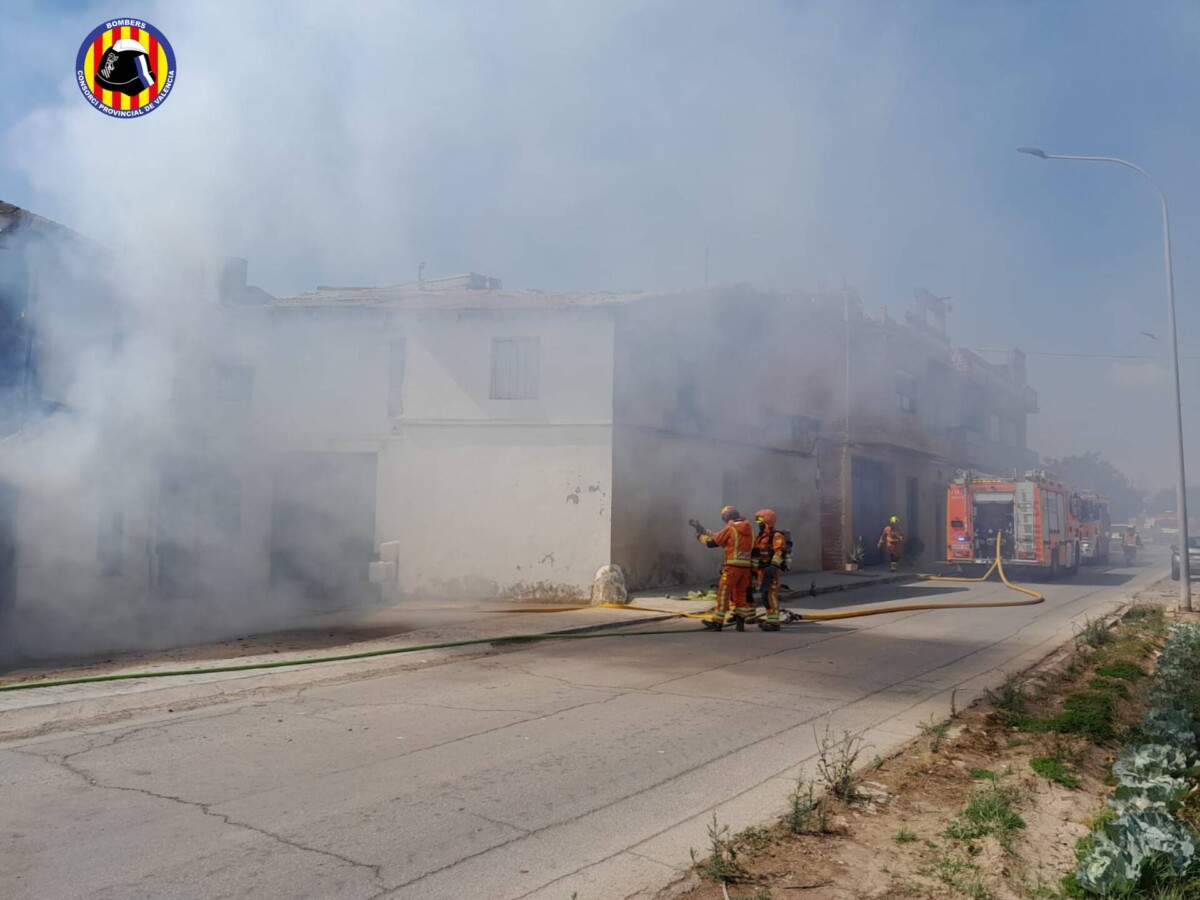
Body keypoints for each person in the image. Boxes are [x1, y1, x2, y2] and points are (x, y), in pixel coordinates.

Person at [696, 506, 755, 631]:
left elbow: (714, 542)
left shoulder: (731, 528)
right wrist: (704, 531)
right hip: (745, 569)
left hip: (732, 568)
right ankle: (740, 623)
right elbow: (721, 536)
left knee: (723, 594)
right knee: (741, 595)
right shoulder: (749, 529)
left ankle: (717, 622)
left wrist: (699, 537)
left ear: (726, 517)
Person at [751, 508, 788, 631]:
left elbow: (779, 551)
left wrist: (773, 566)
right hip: (762, 570)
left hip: (770, 570)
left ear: (767, 521)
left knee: (770, 595)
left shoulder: (776, 535)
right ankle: (770, 619)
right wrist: (754, 570)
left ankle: (774, 622)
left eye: (761, 522)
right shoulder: (761, 537)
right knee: (764, 595)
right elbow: (757, 553)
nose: (759, 525)